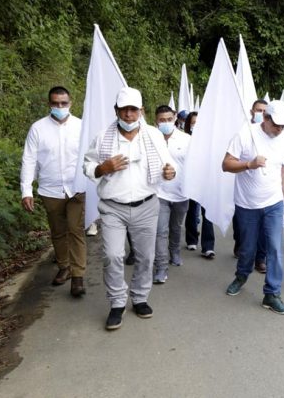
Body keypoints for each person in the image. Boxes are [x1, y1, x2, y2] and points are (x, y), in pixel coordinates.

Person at [83, 87, 176, 330]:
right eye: (123, 109)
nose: (128, 114)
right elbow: (88, 165)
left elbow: (169, 164)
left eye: (133, 109)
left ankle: (140, 297)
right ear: (116, 111)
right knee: (113, 255)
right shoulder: (103, 137)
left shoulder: (154, 136)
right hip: (113, 207)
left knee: (146, 257)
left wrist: (170, 171)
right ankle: (117, 303)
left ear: (141, 111)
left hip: (146, 205)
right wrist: (104, 167)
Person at [222, 100, 284, 315]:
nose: (280, 130)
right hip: (247, 204)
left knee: (274, 248)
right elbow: (226, 164)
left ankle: (272, 293)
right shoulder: (246, 134)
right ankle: (242, 275)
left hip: (273, 203)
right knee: (248, 248)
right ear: (265, 118)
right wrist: (249, 164)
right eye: (276, 125)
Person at [20, 86, 87, 298]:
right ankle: (64, 266)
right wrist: (26, 190)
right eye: (56, 103)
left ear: (71, 103)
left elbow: (90, 156)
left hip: (76, 188)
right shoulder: (38, 129)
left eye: (63, 103)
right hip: (50, 189)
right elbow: (28, 159)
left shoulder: (81, 127)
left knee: (76, 230)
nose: (60, 107)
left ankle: (78, 277)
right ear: (49, 104)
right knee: (57, 231)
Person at [153, 105, 191, 283]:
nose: (166, 123)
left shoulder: (187, 140)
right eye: (162, 120)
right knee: (160, 231)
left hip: (181, 193)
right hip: (159, 193)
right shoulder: (151, 139)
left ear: (175, 118)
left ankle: (174, 251)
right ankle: (161, 267)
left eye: (169, 119)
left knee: (175, 227)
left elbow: (193, 166)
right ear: (156, 121)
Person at [232, 99, 269, 274]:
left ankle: (260, 258)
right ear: (252, 111)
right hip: (246, 196)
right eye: (258, 110)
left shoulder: (279, 134)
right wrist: (249, 164)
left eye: (264, 110)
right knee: (245, 233)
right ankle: (242, 254)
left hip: (269, 196)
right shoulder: (244, 132)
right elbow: (229, 162)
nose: (261, 113)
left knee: (265, 232)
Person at [183, 112, 217, 258]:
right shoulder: (184, 140)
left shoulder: (210, 141)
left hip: (207, 181)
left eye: (199, 123)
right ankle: (191, 239)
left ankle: (208, 246)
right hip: (191, 180)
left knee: (207, 213)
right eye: (193, 122)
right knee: (192, 211)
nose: (196, 126)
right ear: (188, 125)